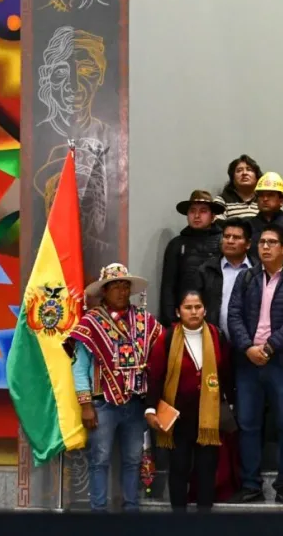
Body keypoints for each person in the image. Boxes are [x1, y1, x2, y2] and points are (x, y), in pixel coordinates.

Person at [227, 224, 283, 504]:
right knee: (248, 424)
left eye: (272, 242)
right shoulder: (247, 277)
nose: (265, 247)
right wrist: (247, 347)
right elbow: (234, 315)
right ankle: (251, 484)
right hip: (248, 362)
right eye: (262, 242)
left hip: (281, 363)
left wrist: (270, 345)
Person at [67, 263, 162, 513]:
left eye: (125, 286)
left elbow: (159, 357)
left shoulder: (145, 321)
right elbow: (79, 368)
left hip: (136, 402)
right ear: (104, 292)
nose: (121, 291)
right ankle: (99, 511)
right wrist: (86, 405)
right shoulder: (91, 323)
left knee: (132, 459)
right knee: (100, 459)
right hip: (102, 404)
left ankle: (131, 508)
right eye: (115, 287)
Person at [146, 291, 230, 513]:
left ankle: (203, 521)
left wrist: (229, 403)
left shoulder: (217, 336)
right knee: (179, 469)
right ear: (178, 312)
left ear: (204, 310)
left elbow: (227, 373)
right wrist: (151, 408)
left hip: (208, 417)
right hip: (177, 418)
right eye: (188, 307)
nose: (193, 312)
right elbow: (155, 376)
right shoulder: (167, 338)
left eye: (198, 307)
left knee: (206, 469)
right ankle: (179, 521)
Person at [159, 190, 224, 326]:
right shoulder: (176, 244)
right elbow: (168, 287)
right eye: (192, 210)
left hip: (216, 317)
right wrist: (171, 321)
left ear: (213, 216)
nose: (197, 215)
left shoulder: (223, 243)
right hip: (183, 317)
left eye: (203, 211)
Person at [192, 218, 255, 342]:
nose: (230, 241)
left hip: (250, 343)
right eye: (226, 236)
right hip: (214, 340)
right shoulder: (206, 270)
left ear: (248, 244)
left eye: (236, 238)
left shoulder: (257, 271)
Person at [215, 155, 262, 223]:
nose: (244, 173)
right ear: (233, 177)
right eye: (239, 170)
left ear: (257, 176)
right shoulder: (222, 200)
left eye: (249, 169)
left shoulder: (264, 199)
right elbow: (218, 226)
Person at [249, 172, 283, 243]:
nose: (265, 199)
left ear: (281, 200)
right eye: (261, 195)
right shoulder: (248, 225)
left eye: (270, 195)